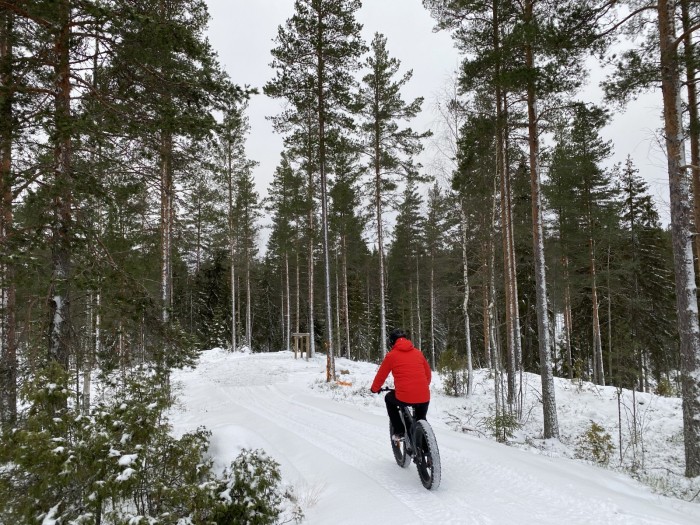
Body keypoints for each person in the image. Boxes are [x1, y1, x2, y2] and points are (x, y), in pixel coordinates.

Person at [370, 328, 431, 441]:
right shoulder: (418, 353)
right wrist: (421, 386)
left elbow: (381, 376)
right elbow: (428, 374)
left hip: (405, 396)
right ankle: (427, 451)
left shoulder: (391, 355)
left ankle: (399, 432)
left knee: (389, 398)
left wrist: (374, 389)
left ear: (392, 342)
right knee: (421, 418)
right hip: (424, 396)